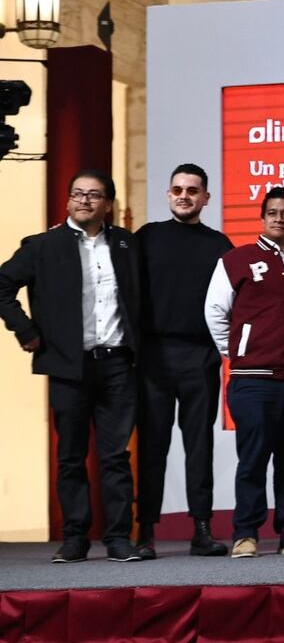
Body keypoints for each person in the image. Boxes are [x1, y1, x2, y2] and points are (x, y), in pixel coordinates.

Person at [0, 169, 142, 562]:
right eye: (78, 194)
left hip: (117, 364)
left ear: (107, 204)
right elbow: (2, 285)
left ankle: (117, 538)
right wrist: (26, 331)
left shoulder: (128, 245)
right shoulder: (43, 245)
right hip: (69, 366)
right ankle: (75, 537)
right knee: (71, 456)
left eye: (94, 195)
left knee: (116, 456)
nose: (84, 200)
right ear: (67, 201)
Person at [204, 186, 284, 558]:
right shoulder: (236, 261)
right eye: (273, 212)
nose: (279, 218)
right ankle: (246, 534)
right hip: (253, 381)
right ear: (263, 218)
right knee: (254, 458)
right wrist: (238, 352)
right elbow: (215, 311)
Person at [134, 163, 232, 560]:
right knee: (152, 447)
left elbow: (232, 304)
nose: (184, 195)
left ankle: (202, 529)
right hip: (153, 358)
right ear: (168, 193)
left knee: (199, 446)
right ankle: (145, 532)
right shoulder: (146, 238)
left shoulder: (219, 245)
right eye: (177, 189)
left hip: (200, 358)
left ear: (205, 198)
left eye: (193, 190)